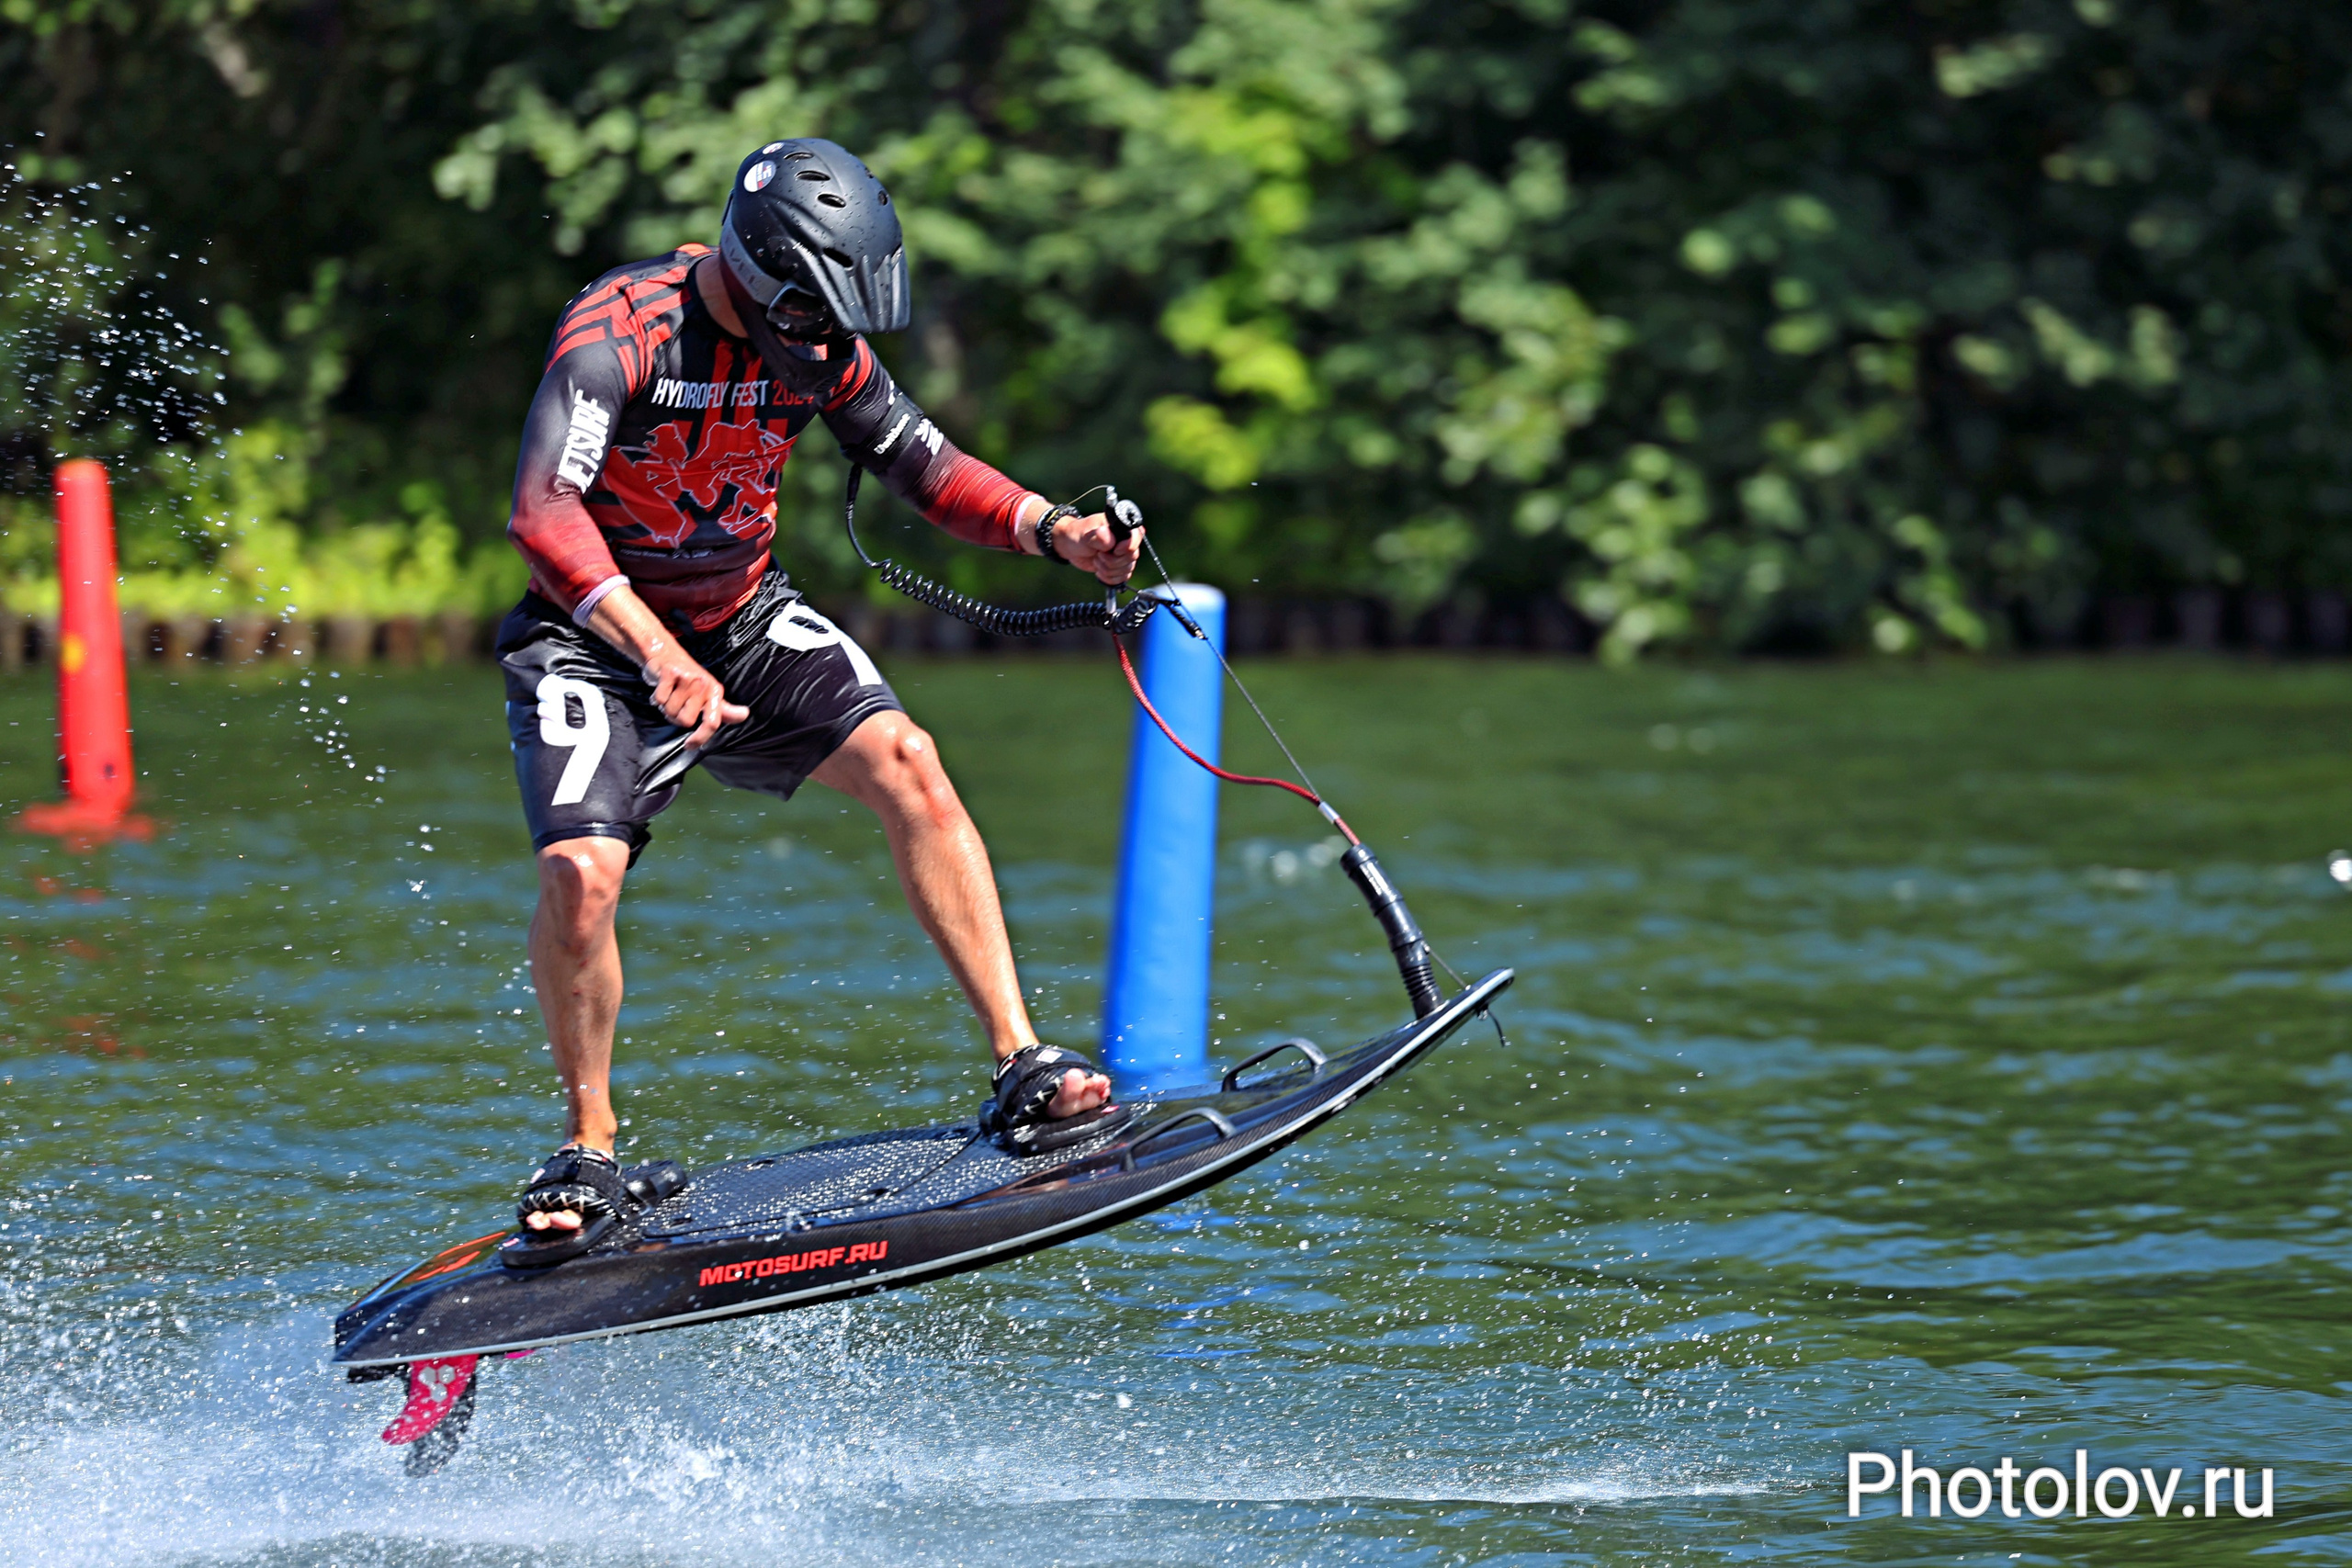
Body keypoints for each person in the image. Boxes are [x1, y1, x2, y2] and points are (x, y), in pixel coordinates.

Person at [494, 137, 1139, 1263]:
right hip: (592, 636)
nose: (824, 336)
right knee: (578, 871)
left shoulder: (816, 345)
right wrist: (654, 653)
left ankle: (1022, 1065)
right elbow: (545, 514)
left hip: (741, 615)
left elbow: (923, 463)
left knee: (909, 761)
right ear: (755, 267)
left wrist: (1057, 530)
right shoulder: (623, 330)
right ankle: (587, 1146)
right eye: (809, 306)